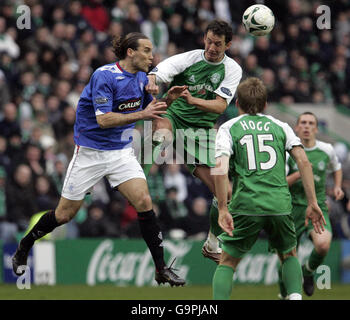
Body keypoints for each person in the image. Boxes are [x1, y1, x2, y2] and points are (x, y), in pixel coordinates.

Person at [12, 32, 186, 287]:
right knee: (63, 215)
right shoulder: (104, 76)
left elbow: (151, 111)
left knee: (144, 201)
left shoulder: (141, 78)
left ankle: (160, 268)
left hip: (120, 152)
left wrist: (168, 101)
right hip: (90, 153)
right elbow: (104, 120)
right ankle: (24, 245)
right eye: (146, 50)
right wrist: (143, 113)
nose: (152, 56)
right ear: (130, 52)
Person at [212, 77, 326, 300]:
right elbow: (304, 162)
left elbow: (220, 166)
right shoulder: (281, 126)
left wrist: (223, 208)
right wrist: (313, 203)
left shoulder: (229, 127)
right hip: (280, 204)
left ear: (238, 104)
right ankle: (294, 297)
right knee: (289, 255)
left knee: (227, 262)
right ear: (265, 105)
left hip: (246, 203)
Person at [144, 19, 242, 263]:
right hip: (173, 116)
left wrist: (193, 100)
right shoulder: (191, 58)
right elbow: (161, 70)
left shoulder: (232, 69)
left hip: (201, 133)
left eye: (217, 44)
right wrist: (154, 80)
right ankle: (136, 177)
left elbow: (220, 105)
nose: (211, 47)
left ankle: (211, 243)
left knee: (226, 193)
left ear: (228, 45)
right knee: (161, 135)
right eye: (208, 41)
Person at [277, 112, 344, 298]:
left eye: (310, 123)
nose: (306, 126)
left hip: (317, 207)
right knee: (285, 259)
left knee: (323, 245)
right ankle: (284, 294)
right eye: (303, 123)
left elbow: (336, 167)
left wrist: (337, 187)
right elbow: (279, 182)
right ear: (297, 127)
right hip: (291, 209)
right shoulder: (287, 151)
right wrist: (300, 173)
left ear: (316, 128)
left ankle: (307, 271)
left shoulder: (326, 149)